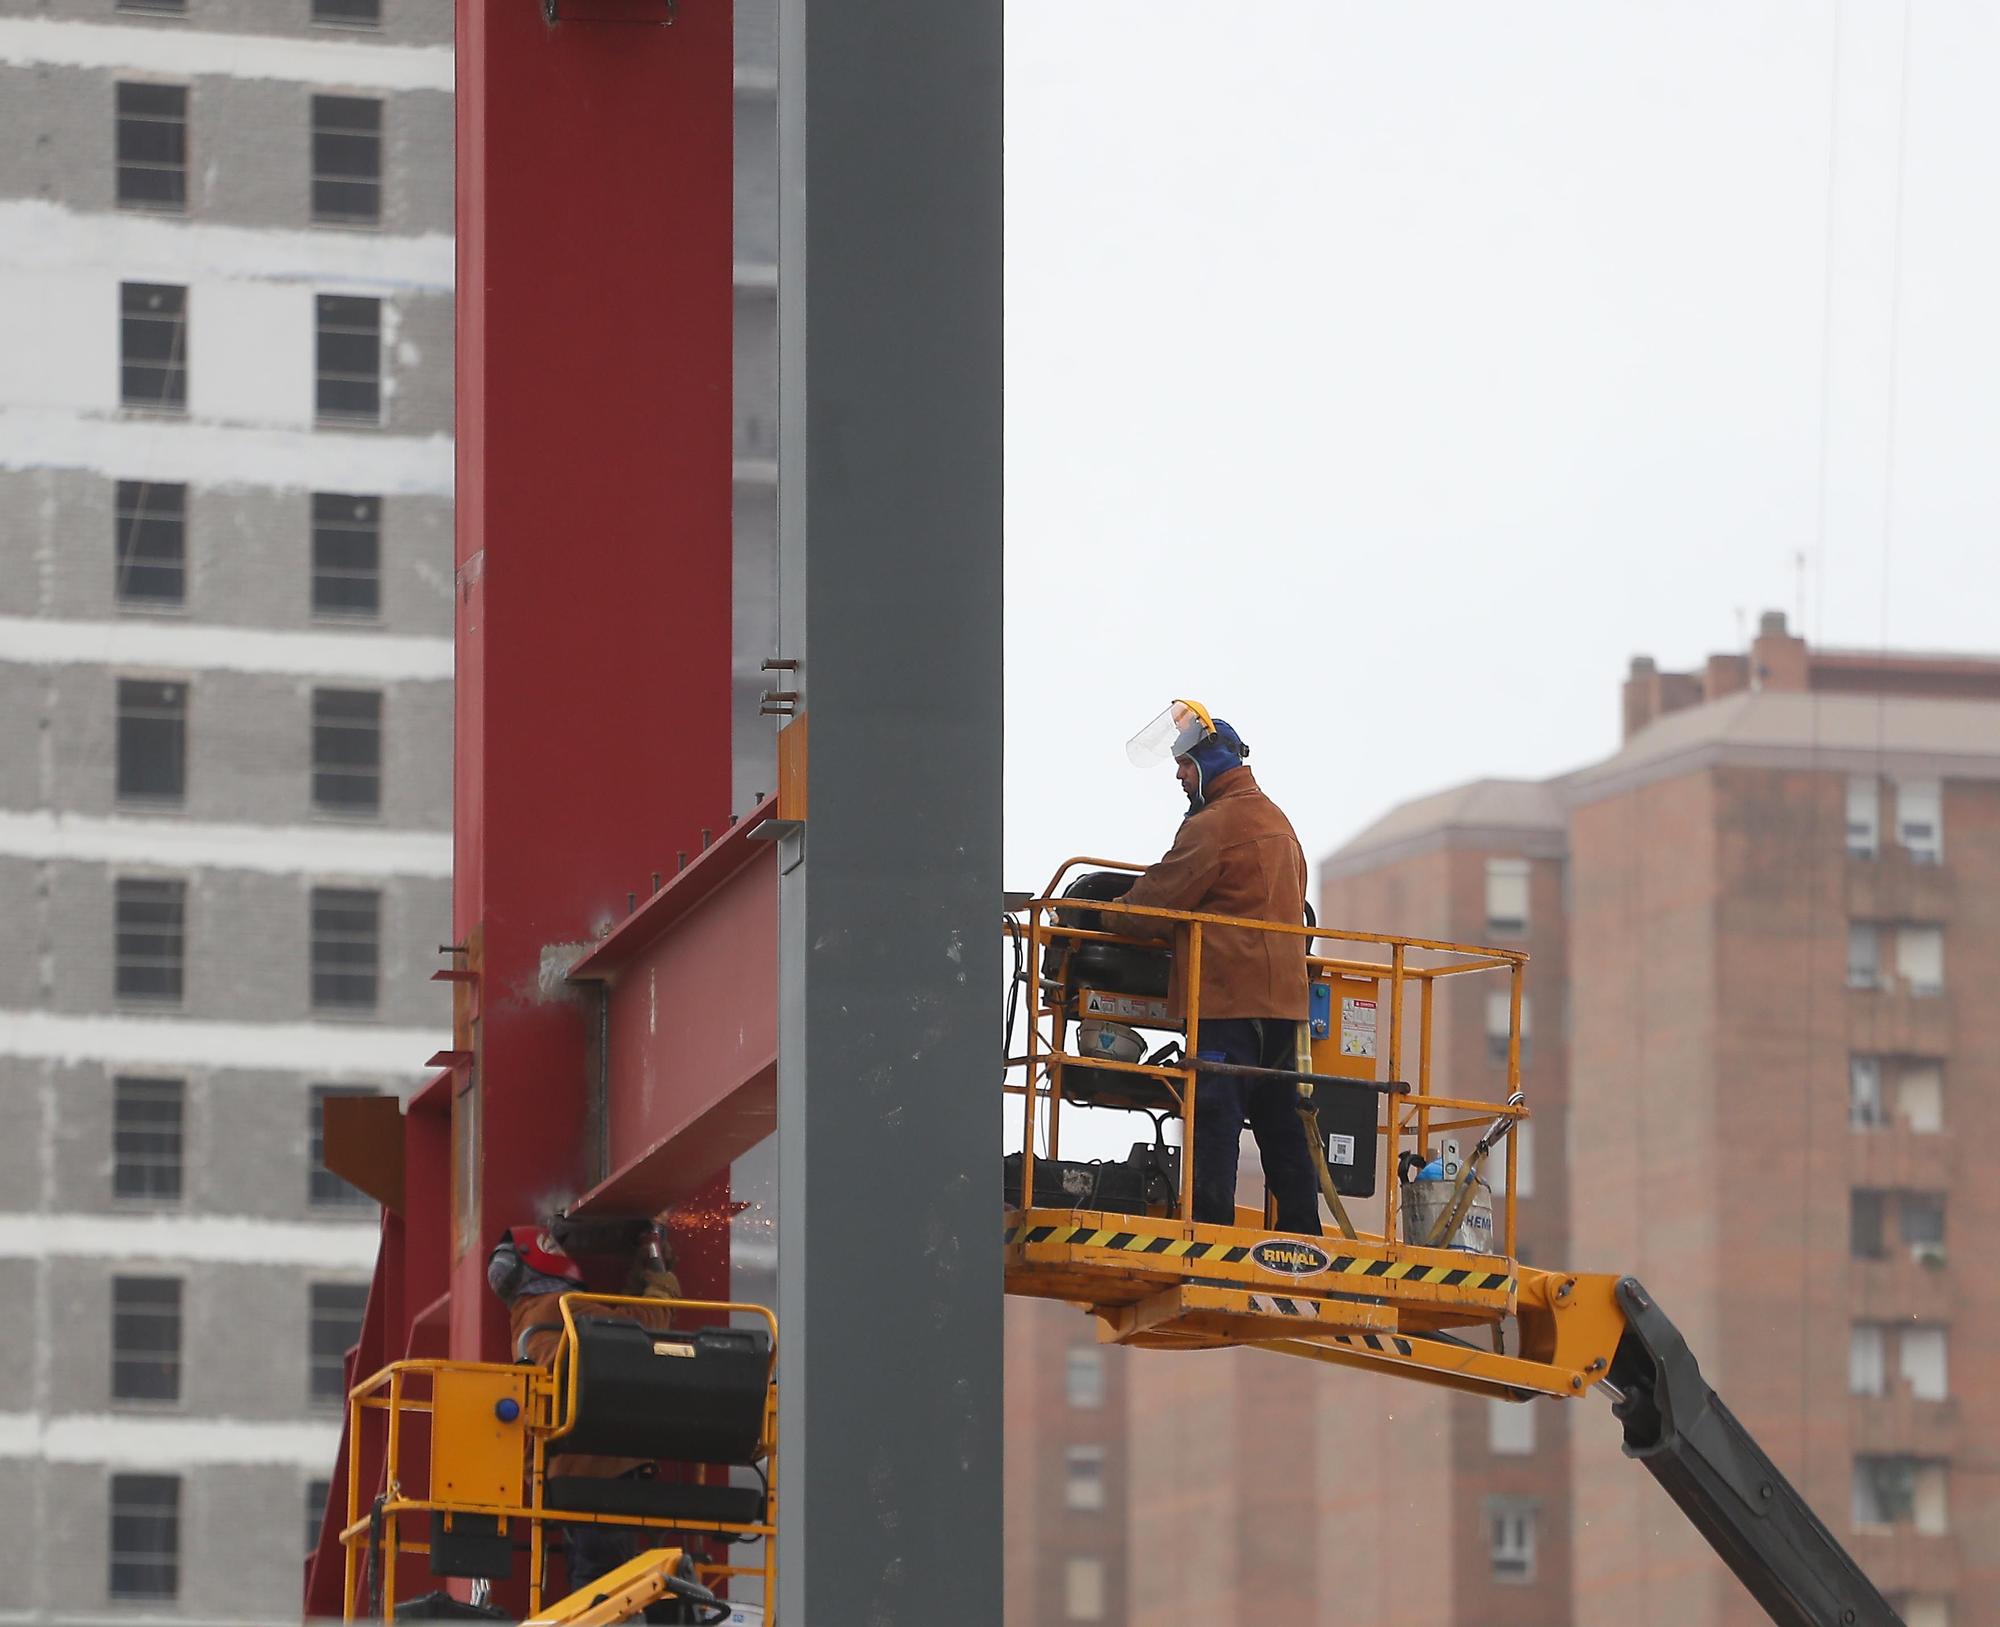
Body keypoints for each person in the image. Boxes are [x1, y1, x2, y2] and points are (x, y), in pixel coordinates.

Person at [1117, 699, 1321, 1235]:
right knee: (1281, 1122)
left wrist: (1097, 914)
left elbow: (1157, 903)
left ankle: (1209, 1235)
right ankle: (1303, 1234)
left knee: (1215, 1118)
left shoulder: (1213, 826)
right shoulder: (1278, 822)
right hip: (1284, 1008)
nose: (1180, 777)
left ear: (1209, 763)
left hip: (1230, 1002)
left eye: (1184, 766)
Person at [486, 1220, 682, 1596]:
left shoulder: (533, 1314)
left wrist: (638, 1276)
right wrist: (662, 1284)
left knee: (591, 1568)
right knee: (606, 1580)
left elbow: (614, 1330)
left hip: (566, 1467)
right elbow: (640, 1330)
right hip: (596, 1465)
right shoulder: (560, 1306)